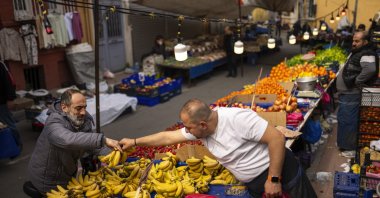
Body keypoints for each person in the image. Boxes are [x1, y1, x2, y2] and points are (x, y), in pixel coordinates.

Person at [119, 99, 317, 198]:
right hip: (256, 184)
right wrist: (135, 142)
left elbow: (276, 138)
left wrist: (274, 179)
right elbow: (167, 137)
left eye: (188, 127)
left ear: (203, 125)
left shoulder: (237, 119)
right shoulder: (200, 129)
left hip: (282, 173)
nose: (185, 131)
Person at [27, 89, 122, 195]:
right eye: (78, 108)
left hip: (67, 174)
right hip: (48, 180)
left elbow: (90, 145)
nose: (83, 112)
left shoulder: (83, 119)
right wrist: (103, 139)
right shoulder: (53, 122)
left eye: (84, 107)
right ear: (64, 107)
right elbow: (67, 140)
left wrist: (114, 154)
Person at [336, 31, 379, 155]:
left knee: (348, 120)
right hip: (348, 93)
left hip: (352, 93)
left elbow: (370, 69)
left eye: (357, 41)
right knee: (344, 119)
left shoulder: (366, 52)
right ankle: (345, 144)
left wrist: (358, 80)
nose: (354, 43)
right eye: (353, 40)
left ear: (365, 42)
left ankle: (349, 148)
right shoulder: (360, 51)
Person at [0, 61, 23, 156]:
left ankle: (18, 144)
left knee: (8, 124)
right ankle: (6, 147)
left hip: (2, 101)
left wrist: (10, 99)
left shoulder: (0, 66)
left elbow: (8, 82)